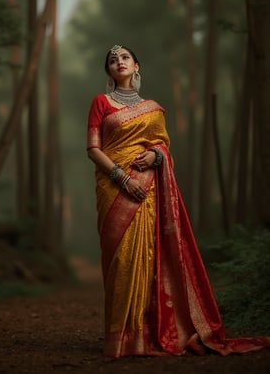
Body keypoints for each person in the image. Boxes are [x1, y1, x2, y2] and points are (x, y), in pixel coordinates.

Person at [86, 44, 270, 358]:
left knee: (149, 257)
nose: (119, 62)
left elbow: (163, 147)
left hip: (147, 190)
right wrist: (122, 177)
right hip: (115, 188)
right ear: (108, 71)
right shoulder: (101, 102)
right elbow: (93, 148)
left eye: (125, 57)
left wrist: (156, 155)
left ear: (137, 65)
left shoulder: (153, 108)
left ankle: (147, 335)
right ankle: (121, 337)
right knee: (121, 261)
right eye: (113, 60)